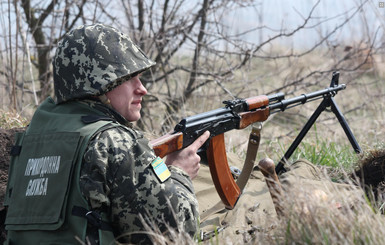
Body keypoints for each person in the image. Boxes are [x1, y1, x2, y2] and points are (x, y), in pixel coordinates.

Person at [3, 24, 209, 244]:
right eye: (129, 78)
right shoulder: (114, 141)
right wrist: (179, 173)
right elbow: (175, 231)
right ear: (99, 85)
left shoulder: (31, 138)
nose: (142, 88)